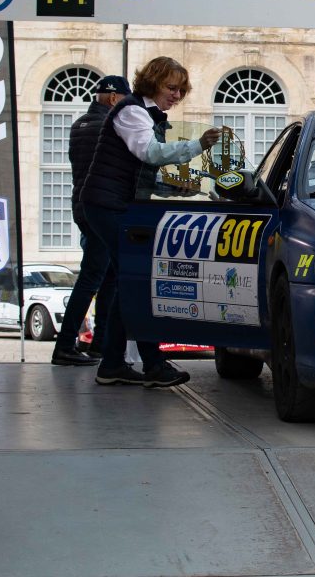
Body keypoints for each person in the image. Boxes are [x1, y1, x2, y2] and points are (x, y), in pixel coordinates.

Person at [80, 57, 221, 388]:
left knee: (124, 283)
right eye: (171, 88)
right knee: (137, 283)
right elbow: (151, 154)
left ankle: (113, 364)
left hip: (111, 204)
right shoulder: (132, 111)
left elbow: (141, 172)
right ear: (153, 83)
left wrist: (179, 189)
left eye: (180, 90)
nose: (175, 95)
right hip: (107, 205)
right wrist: (196, 146)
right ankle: (153, 365)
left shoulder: (142, 114)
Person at [50, 75, 131, 367]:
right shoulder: (107, 127)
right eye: (125, 101)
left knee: (107, 274)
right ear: (112, 98)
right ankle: (65, 345)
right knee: (93, 277)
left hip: (83, 207)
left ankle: (100, 344)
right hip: (101, 207)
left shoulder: (79, 125)